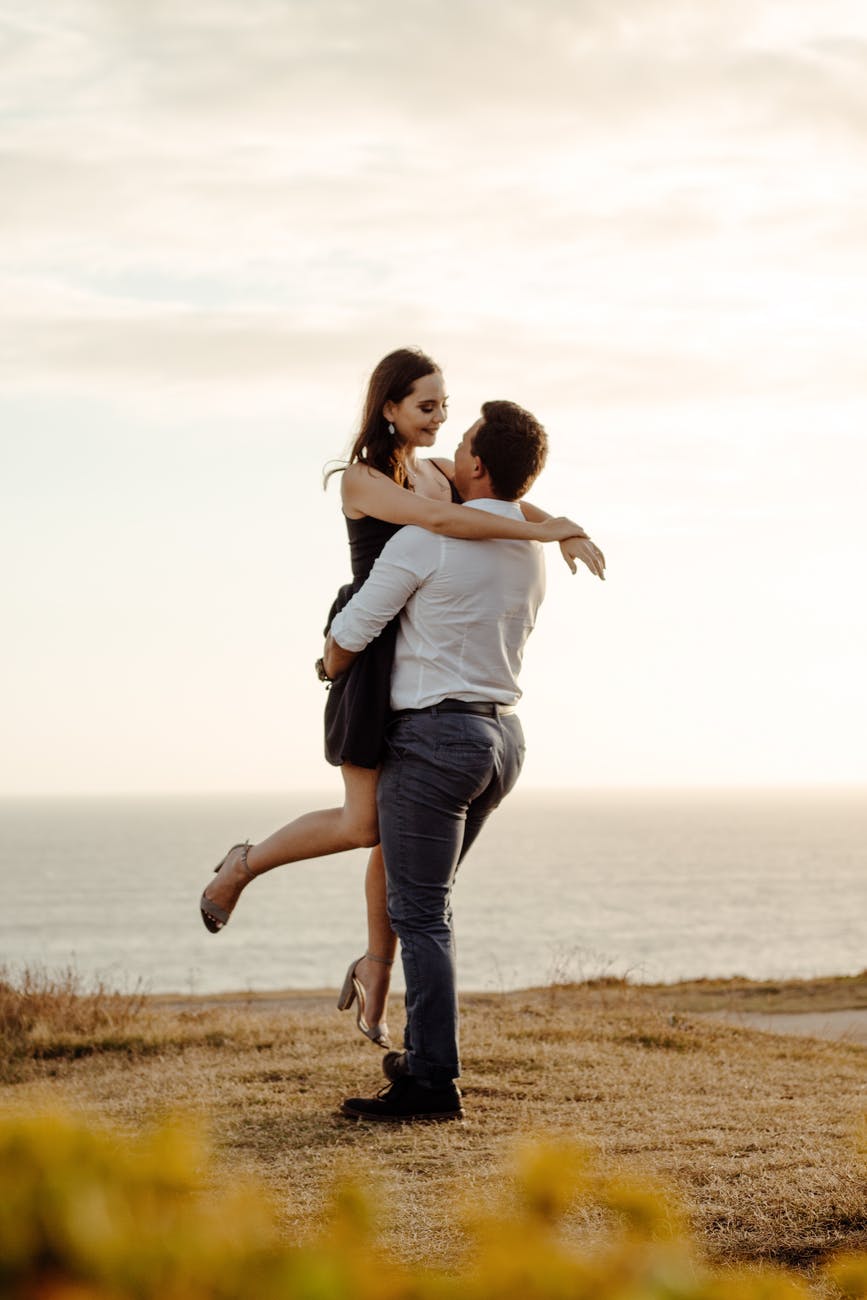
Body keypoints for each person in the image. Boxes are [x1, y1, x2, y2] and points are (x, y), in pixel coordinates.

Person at [198, 350, 603, 1051]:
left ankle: (375, 971)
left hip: (418, 645)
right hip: (371, 646)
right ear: (387, 407)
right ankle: (244, 864)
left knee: (394, 827)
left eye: (446, 406)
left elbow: (497, 504)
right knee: (364, 825)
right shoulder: (362, 479)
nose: (440, 419)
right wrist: (541, 532)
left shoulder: (444, 470)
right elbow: (444, 526)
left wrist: (560, 520)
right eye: (425, 406)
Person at [325, 399, 575, 1121]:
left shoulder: (424, 541)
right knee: (428, 907)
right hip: (500, 741)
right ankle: (425, 1056)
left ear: (476, 465)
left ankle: (431, 1083)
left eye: (461, 440)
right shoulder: (525, 550)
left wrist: (326, 662)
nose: (452, 448)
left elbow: (353, 629)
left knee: (421, 915)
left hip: (434, 742)